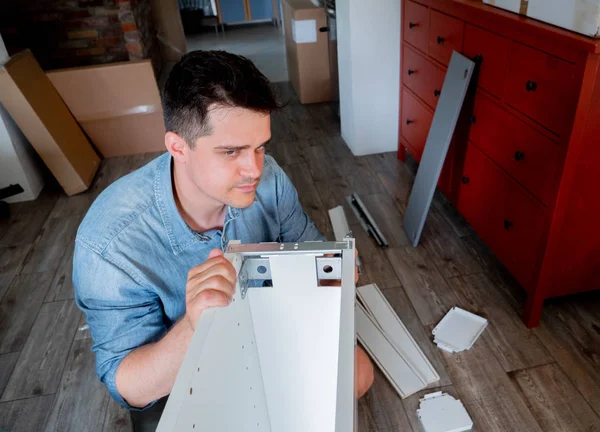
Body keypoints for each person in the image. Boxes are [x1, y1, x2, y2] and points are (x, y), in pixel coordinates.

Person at [73, 50, 374, 421]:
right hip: (183, 370)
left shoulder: (270, 179)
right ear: (177, 147)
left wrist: (335, 271)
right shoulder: (109, 243)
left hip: (266, 325)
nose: (254, 169)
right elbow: (128, 386)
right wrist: (195, 324)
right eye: (231, 151)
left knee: (358, 375)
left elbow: (309, 247)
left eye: (260, 146)